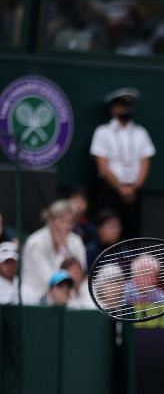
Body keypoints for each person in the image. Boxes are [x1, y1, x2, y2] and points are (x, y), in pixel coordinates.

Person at [90, 87, 156, 238]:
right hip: (110, 190)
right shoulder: (103, 132)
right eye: (122, 106)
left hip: (134, 190)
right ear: (113, 109)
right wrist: (120, 187)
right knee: (109, 228)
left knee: (133, 231)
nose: (126, 110)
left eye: (128, 106)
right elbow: (103, 165)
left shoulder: (141, 132)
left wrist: (133, 187)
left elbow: (145, 162)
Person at [21, 200, 86, 304]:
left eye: (70, 222)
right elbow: (51, 280)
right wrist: (62, 250)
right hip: (36, 296)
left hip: (69, 293)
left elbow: (80, 271)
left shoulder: (76, 241)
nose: (66, 226)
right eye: (62, 221)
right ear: (50, 221)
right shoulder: (35, 243)